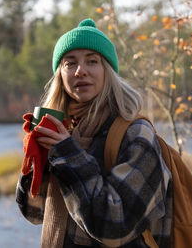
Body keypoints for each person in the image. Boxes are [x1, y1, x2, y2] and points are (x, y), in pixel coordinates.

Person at [16, 18, 172, 247]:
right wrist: (37, 159)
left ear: (107, 71)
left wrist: (67, 155)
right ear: (60, 74)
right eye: (70, 63)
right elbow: (33, 213)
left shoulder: (135, 133)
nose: (81, 71)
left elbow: (115, 227)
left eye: (92, 61)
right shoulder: (65, 130)